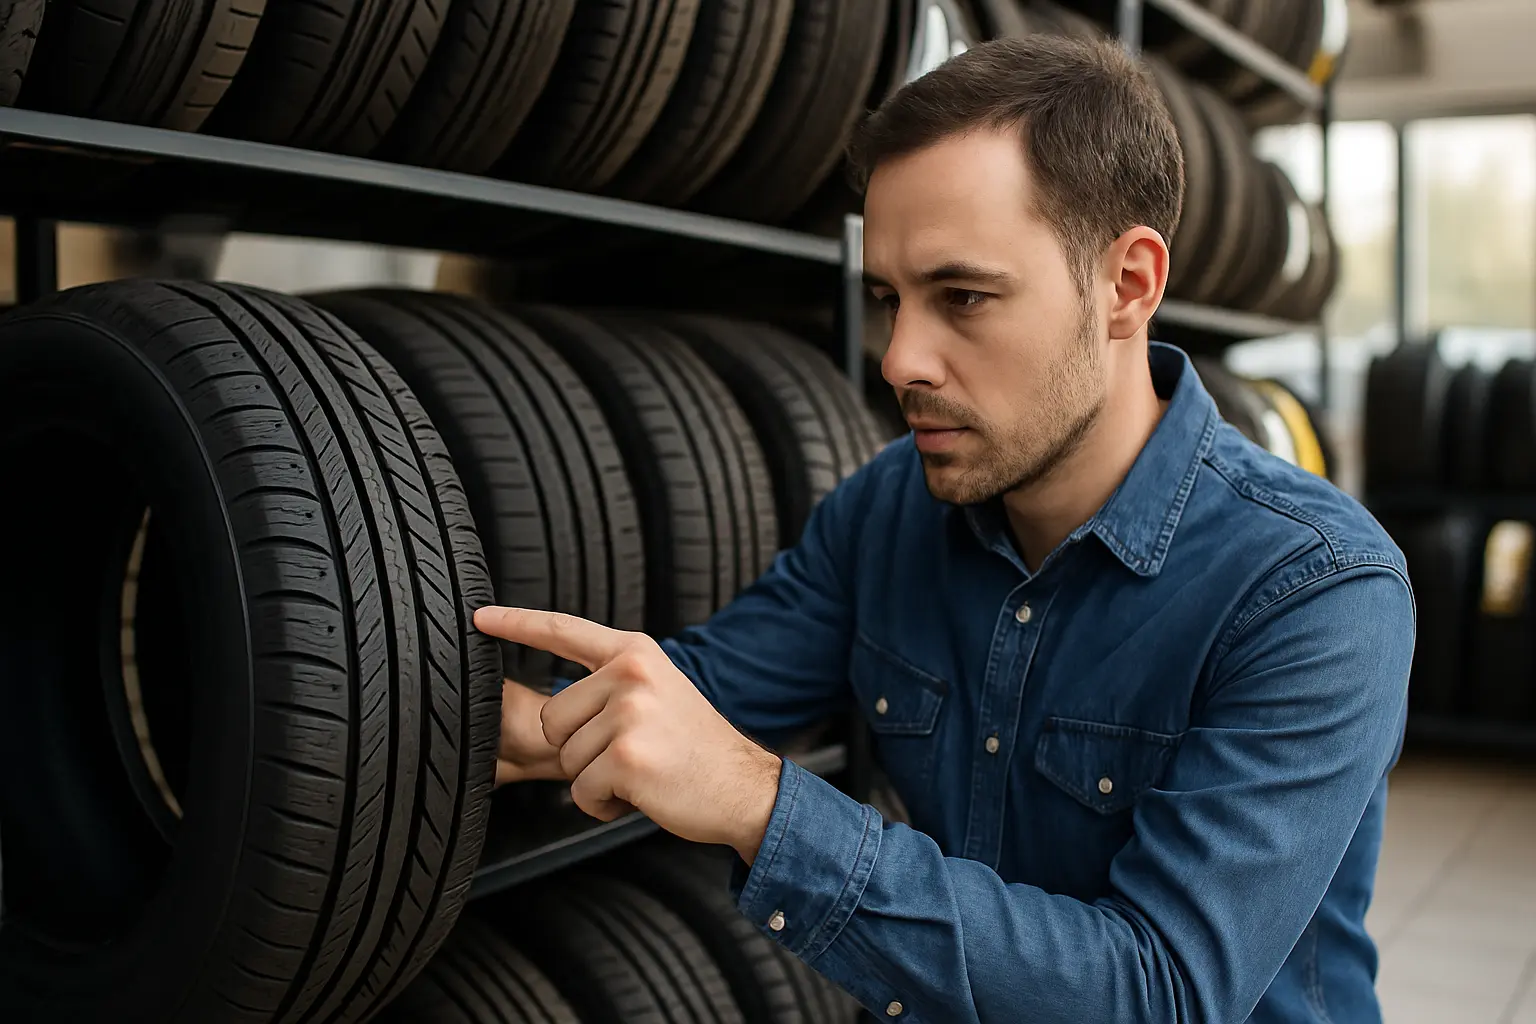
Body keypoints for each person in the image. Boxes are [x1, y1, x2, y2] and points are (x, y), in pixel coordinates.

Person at [474, 33, 1416, 1024]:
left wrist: (760, 801)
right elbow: (707, 686)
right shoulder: (890, 509)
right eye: (888, 298)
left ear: (1127, 285)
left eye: (962, 296)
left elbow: (1161, 993)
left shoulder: (1316, 590)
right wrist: (519, 722)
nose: (898, 359)